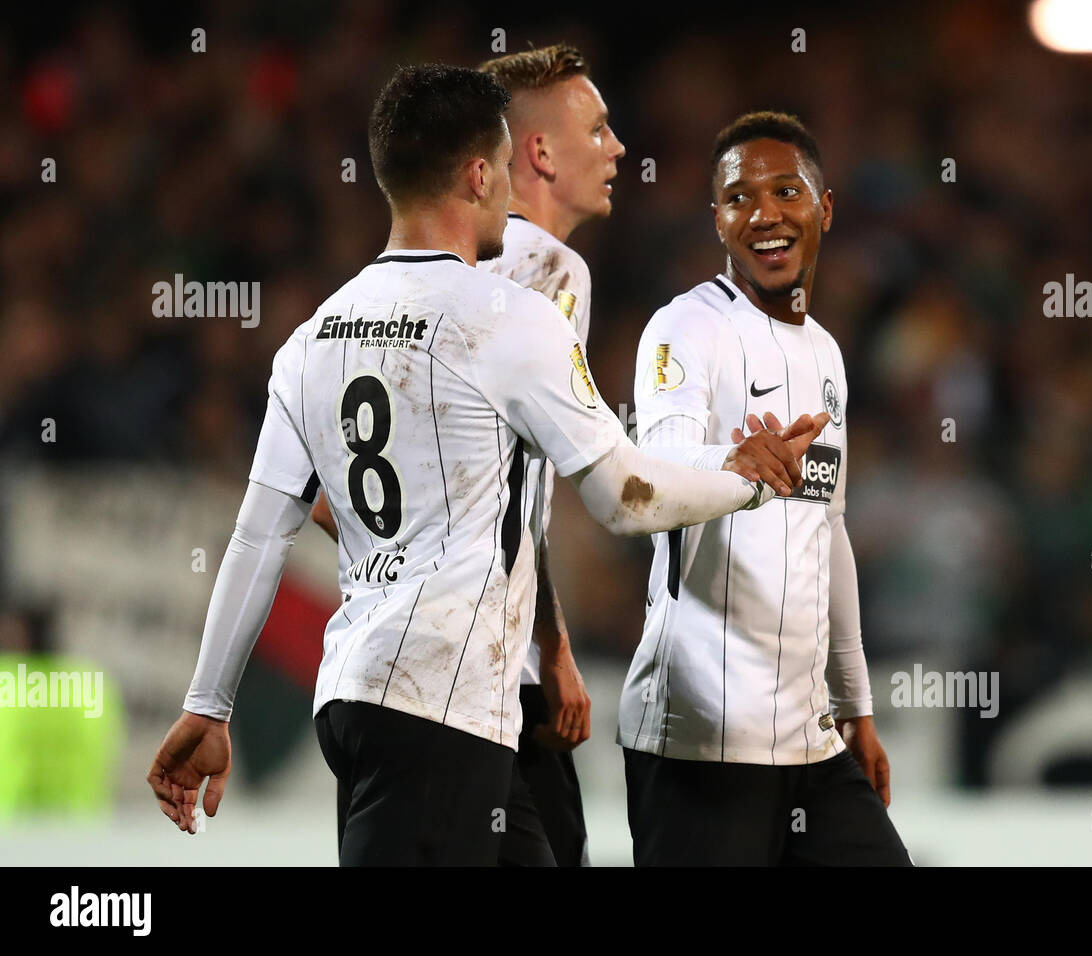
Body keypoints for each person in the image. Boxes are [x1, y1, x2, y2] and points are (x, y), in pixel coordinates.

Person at [147, 66, 828, 866]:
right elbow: (623, 495)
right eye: (503, 169)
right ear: (477, 175)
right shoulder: (506, 320)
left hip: (371, 696)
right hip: (437, 701)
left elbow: (260, 536)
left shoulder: (312, 338)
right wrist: (749, 478)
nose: (510, 190)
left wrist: (207, 702)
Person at [311, 43, 625, 866]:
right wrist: (548, 650)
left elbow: (320, 490)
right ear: (539, 154)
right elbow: (568, 496)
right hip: (483, 680)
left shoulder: (412, 279)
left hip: (415, 674)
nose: (620, 147)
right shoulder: (549, 272)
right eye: (598, 128)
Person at [619, 111, 911, 865]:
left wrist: (856, 705)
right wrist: (735, 462)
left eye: (786, 191)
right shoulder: (685, 329)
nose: (765, 214)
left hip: (808, 741)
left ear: (826, 207)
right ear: (717, 219)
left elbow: (828, 531)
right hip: (700, 739)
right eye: (739, 198)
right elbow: (657, 466)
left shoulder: (827, 355)